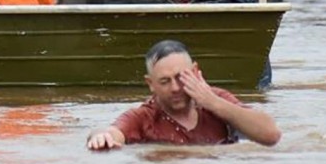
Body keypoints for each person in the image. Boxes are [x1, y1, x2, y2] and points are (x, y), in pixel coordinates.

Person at [87, 39, 281, 150]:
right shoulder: (144, 117)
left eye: (181, 78)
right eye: (165, 81)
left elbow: (271, 135)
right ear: (150, 84)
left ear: (196, 71)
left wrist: (214, 103)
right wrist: (100, 137)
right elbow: (112, 132)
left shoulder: (216, 100)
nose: (175, 88)